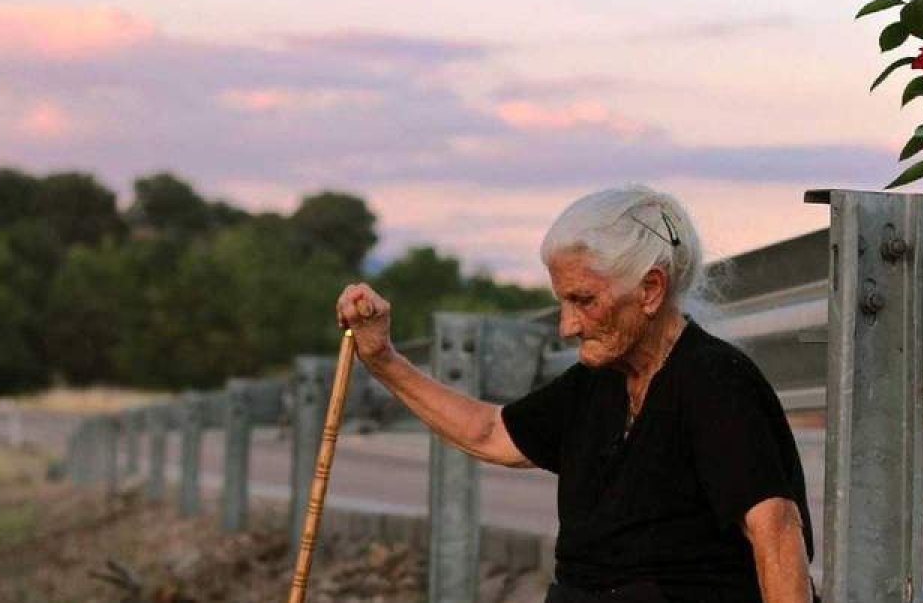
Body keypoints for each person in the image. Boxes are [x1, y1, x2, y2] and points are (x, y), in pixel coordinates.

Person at [336, 186, 814, 603]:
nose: (566, 326)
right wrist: (382, 359)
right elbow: (490, 432)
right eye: (562, 302)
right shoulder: (598, 381)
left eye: (584, 301)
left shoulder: (714, 380)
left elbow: (775, 534)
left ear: (650, 289)